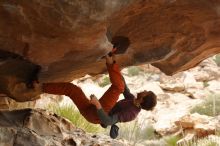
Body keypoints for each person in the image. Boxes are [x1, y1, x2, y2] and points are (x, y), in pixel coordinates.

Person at [15, 50, 157, 138]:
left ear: (143, 100)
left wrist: (97, 105)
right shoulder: (132, 99)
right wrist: (114, 61)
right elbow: (123, 83)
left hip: (97, 115)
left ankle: (107, 59)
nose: (143, 90)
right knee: (72, 89)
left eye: (145, 93)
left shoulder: (131, 113)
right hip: (92, 109)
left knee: (118, 87)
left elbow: (107, 121)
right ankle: (39, 87)